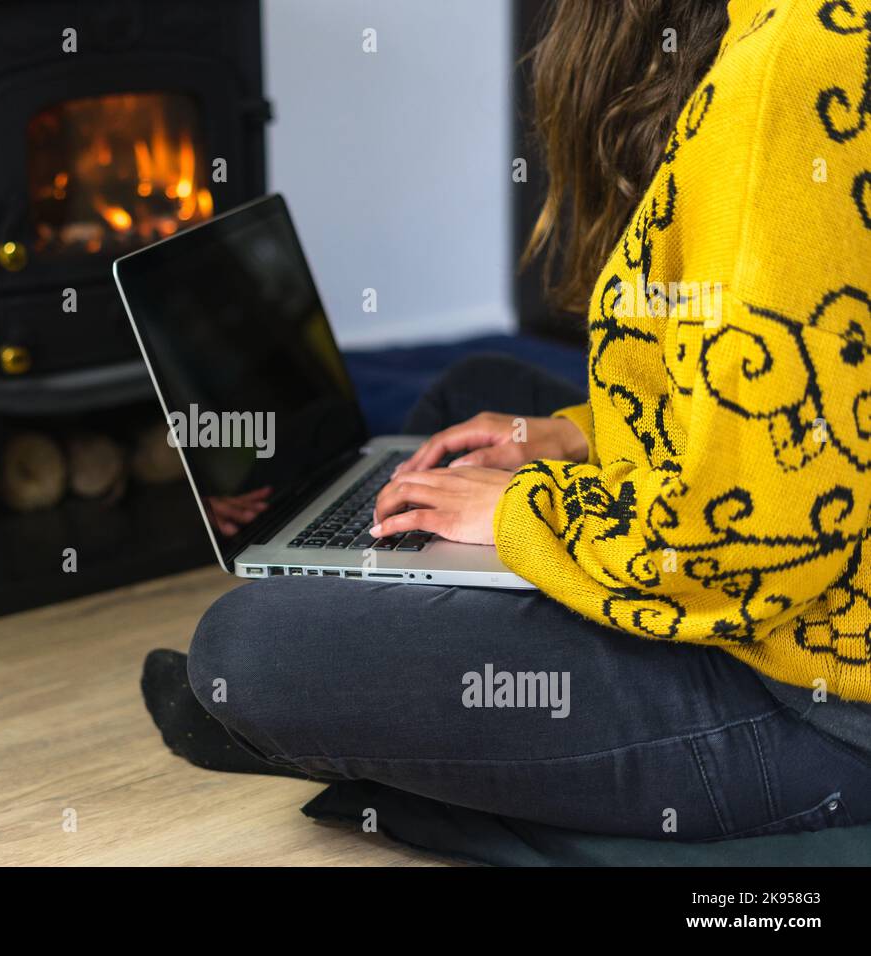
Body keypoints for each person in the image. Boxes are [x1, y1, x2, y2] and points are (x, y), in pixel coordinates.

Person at [143, 0, 871, 842]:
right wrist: (578, 435)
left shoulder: (800, 59)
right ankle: (394, 637)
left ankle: (373, 683)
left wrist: (525, 512)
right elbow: (821, 394)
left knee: (246, 651)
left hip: (819, 706)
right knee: (475, 393)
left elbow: (744, 551)